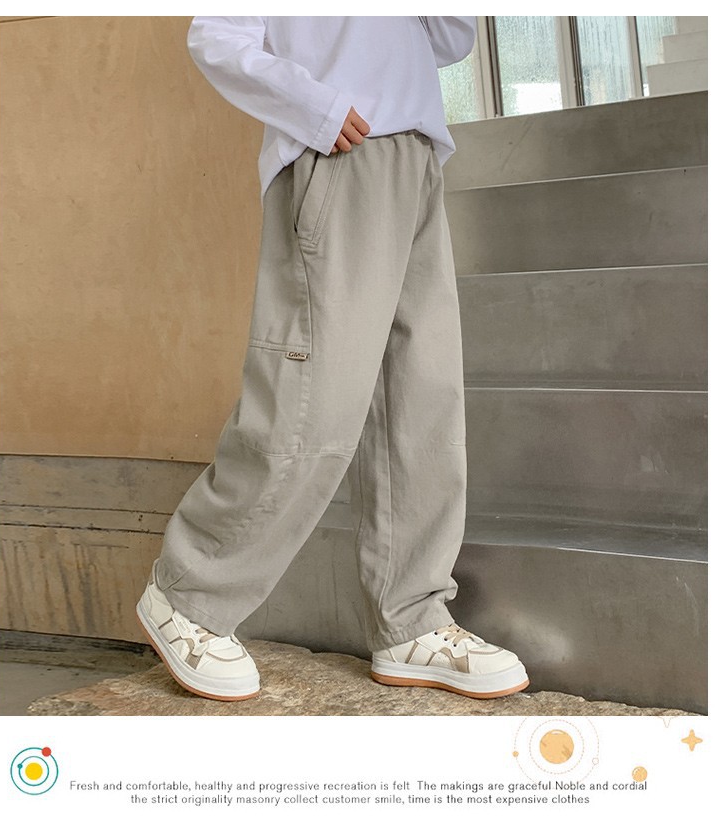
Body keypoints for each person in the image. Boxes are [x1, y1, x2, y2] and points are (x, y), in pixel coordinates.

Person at [137, 16, 529, 702]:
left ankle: (410, 620)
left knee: (420, 405)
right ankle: (190, 597)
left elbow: (450, 38)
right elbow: (216, 35)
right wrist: (314, 107)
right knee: (310, 403)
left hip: (417, 151)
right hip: (340, 152)